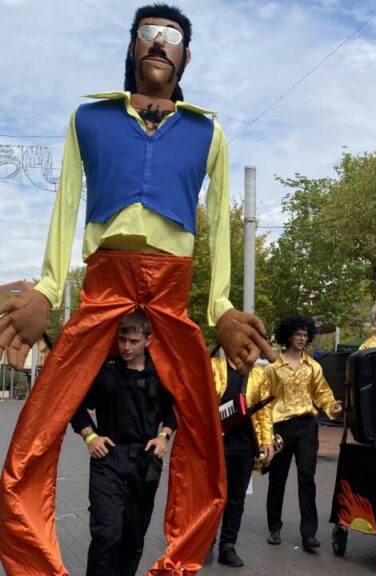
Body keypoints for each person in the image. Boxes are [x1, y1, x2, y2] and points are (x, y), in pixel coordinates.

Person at [0, 5, 271, 574]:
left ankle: (175, 564)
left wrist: (220, 305)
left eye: (170, 37)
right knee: (32, 432)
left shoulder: (208, 131)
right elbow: (66, 206)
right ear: (132, 47)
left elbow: (219, 223)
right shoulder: (89, 119)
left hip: (171, 295)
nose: (158, 43)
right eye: (147, 34)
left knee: (204, 440)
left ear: (185, 57)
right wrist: (49, 289)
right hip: (104, 287)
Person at [70, 311, 176, 576]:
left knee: (133, 535)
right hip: (108, 459)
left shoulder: (160, 373)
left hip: (145, 460)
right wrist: (90, 436)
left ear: (148, 341)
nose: (126, 347)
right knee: (107, 533)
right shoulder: (105, 371)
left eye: (133, 341)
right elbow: (74, 405)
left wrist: (163, 435)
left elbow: (173, 411)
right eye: (122, 340)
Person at [265, 316, 342, 551]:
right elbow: (265, 402)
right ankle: (274, 527)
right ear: (289, 335)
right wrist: (265, 435)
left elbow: (323, 394)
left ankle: (309, 534)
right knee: (277, 479)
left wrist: (332, 406)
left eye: (305, 335)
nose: (302, 338)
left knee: (307, 479)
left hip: (307, 428)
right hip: (281, 428)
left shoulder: (313, 367)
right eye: (298, 334)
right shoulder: (273, 368)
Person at [210, 352, 276, 567]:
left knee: (236, 498)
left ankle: (228, 547)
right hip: (215, 444)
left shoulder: (258, 373)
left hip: (245, 445)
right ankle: (206, 542)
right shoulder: (213, 366)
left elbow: (264, 410)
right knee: (212, 497)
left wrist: (267, 440)